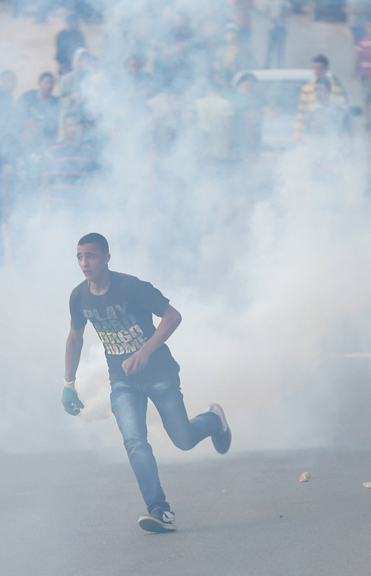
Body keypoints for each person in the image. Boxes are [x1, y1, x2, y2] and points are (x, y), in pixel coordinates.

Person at [62, 233, 232, 534]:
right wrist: (68, 383)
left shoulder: (131, 287)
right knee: (135, 442)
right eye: (79, 256)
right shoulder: (79, 297)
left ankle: (213, 420)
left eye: (91, 255)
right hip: (123, 383)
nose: (85, 262)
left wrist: (145, 351)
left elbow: (173, 316)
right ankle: (160, 510)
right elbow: (75, 337)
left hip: (161, 376)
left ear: (106, 258)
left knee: (182, 439)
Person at [40, 113, 96, 210]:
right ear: (63, 128)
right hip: (57, 210)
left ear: (81, 127)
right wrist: (41, 210)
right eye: (70, 125)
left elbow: (94, 183)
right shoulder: (53, 151)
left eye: (77, 125)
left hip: (81, 210)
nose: (74, 128)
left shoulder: (89, 151)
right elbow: (45, 184)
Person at [296, 55, 347, 138]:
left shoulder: (336, 88)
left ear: (326, 69)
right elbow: (301, 112)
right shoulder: (306, 88)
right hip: (313, 131)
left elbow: (344, 112)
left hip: (332, 131)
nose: (317, 71)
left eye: (319, 68)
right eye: (314, 68)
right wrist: (299, 133)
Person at [263, 0, 289, 69]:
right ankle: (267, 66)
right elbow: (264, 13)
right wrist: (270, 16)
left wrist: (281, 15)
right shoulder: (268, 2)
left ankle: (280, 66)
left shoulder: (283, 2)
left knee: (280, 49)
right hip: (271, 28)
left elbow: (290, 10)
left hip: (281, 27)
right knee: (269, 48)